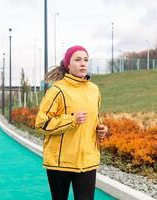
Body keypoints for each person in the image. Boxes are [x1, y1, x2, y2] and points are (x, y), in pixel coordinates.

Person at [35, 45, 108, 200]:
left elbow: (95, 116)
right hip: (60, 162)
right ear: (68, 65)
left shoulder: (94, 90)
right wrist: (71, 120)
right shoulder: (57, 90)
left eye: (86, 60)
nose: (83, 63)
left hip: (87, 160)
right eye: (78, 59)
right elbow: (42, 123)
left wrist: (100, 128)